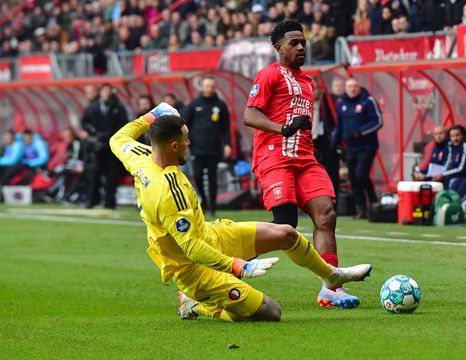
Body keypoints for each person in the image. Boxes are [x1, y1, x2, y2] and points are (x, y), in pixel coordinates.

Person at [109, 102, 372, 321]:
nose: (190, 143)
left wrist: (151, 115)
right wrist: (240, 266)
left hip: (212, 234)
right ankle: (196, 303)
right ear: (174, 146)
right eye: (186, 139)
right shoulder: (167, 191)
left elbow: (118, 138)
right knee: (271, 312)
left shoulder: (139, 155)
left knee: (287, 234)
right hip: (194, 269)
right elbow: (192, 249)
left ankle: (331, 275)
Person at [244, 20, 371, 308]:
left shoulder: (307, 81)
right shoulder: (269, 75)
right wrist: (283, 128)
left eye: (303, 42)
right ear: (278, 47)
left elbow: (302, 120)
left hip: (305, 158)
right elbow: (250, 115)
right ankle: (223, 268)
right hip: (275, 156)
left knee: (326, 215)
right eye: (294, 43)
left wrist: (310, 144)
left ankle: (330, 289)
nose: (301, 47)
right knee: (285, 225)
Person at [332, 77, 383, 219]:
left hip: (367, 146)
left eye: (355, 86)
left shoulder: (368, 101)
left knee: (361, 175)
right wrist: (335, 140)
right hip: (350, 147)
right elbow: (339, 125)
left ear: (359, 87)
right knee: (353, 178)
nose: (352, 89)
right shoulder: (341, 103)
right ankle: (361, 208)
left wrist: (360, 131)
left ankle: (373, 203)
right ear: (345, 88)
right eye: (349, 87)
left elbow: (378, 121)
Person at [183, 76, 232, 218]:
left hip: (214, 148)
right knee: (197, 176)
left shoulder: (220, 105)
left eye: (211, 86)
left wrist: (227, 144)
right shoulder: (194, 105)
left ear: (214, 87)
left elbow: (226, 127)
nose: (209, 89)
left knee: (212, 178)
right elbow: (185, 125)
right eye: (206, 86)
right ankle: (203, 201)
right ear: (202, 87)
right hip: (197, 148)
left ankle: (212, 207)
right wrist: (186, 143)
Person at [81, 83, 127, 209]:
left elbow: (123, 124)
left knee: (112, 175)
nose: (106, 94)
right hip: (98, 146)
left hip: (112, 146)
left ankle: (110, 202)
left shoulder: (118, 107)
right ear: (100, 93)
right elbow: (85, 122)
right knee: (95, 173)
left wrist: (109, 134)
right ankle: (92, 200)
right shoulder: (92, 107)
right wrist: (95, 133)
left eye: (108, 91)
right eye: (104, 91)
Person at [433, 124, 466, 198]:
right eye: (452, 136)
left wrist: (443, 174)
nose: (455, 138)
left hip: (464, 175)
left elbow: (462, 168)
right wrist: (441, 173)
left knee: (450, 181)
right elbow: (448, 163)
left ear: (462, 135)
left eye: (457, 135)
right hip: (451, 174)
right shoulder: (451, 145)